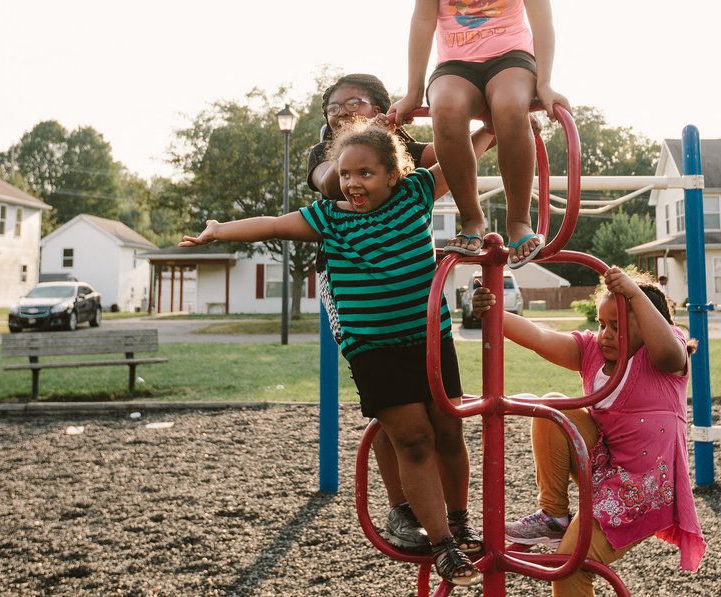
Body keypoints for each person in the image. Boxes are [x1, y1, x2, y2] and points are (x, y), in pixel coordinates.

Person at [181, 119, 491, 587]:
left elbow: (459, 156)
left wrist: (492, 128)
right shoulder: (329, 218)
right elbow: (271, 224)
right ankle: (443, 543)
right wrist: (219, 229)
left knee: (448, 431)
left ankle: (460, 519)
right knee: (413, 440)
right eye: (346, 175)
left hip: (430, 338)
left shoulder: (416, 193)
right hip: (373, 348)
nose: (353, 183)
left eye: (365, 173)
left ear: (392, 174)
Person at [472, 267, 706, 596]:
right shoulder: (593, 352)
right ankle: (553, 514)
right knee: (551, 407)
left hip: (642, 490)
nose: (606, 334)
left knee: (568, 565)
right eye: (601, 323)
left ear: (649, 324)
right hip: (602, 469)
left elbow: (669, 353)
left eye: (618, 325)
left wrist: (635, 293)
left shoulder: (663, 357)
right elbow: (540, 339)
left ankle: (565, 536)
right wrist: (494, 313)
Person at [389, 0, 568, 272]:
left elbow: (543, 18)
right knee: (446, 108)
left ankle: (520, 221)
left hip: (511, 56)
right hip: (457, 62)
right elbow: (423, 17)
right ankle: (472, 218)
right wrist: (413, 90)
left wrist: (545, 84)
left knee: (509, 106)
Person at [306, 73, 436, 556]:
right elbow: (325, 180)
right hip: (351, 284)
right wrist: (355, 174)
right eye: (332, 107)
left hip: (407, 285)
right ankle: (401, 507)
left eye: (352, 102)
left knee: (430, 406)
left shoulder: (398, 146)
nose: (340, 111)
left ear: (381, 107)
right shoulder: (326, 154)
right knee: (388, 396)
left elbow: (448, 156)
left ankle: (446, 507)